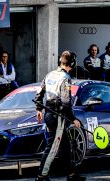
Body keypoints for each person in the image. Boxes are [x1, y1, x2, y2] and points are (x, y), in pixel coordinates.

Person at [34, 50, 85, 181]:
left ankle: (71, 174)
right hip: (58, 115)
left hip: (49, 112)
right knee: (52, 146)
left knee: (66, 145)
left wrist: (39, 109)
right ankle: (42, 176)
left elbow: (39, 93)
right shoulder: (66, 78)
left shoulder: (50, 74)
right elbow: (66, 102)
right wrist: (73, 119)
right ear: (72, 63)